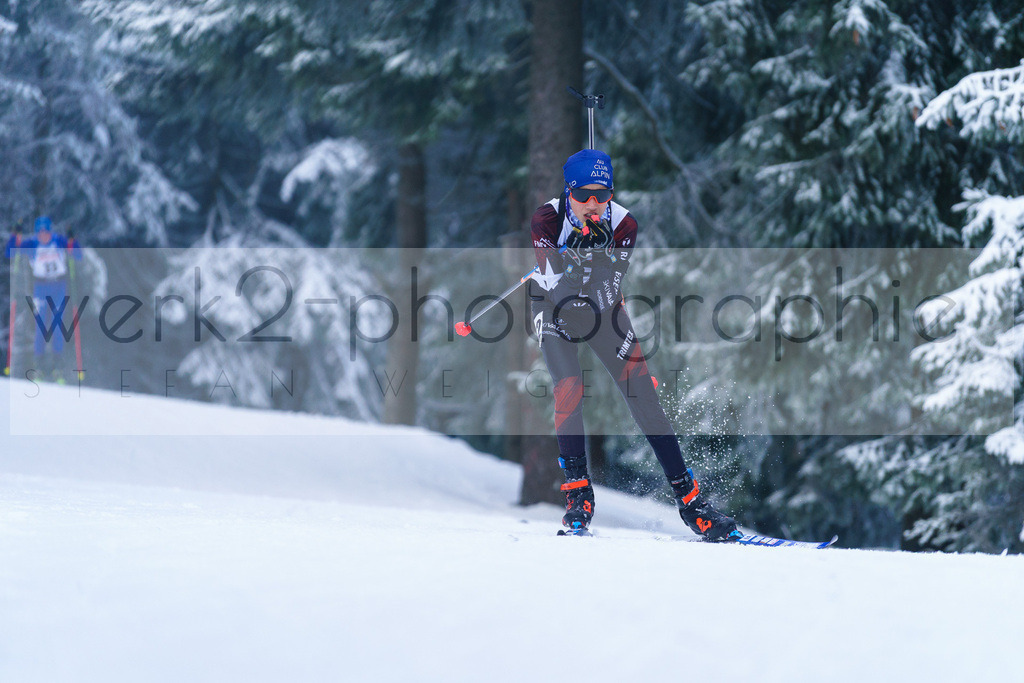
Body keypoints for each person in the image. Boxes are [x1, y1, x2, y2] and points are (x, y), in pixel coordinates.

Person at [528, 149, 740, 540]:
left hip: (603, 307)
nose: (593, 204)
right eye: (584, 195)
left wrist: (597, 260)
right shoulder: (546, 219)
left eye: (602, 195)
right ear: (568, 191)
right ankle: (579, 495)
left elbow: (607, 295)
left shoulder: (623, 224)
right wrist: (572, 264)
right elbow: (558, 294)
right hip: (552, 306)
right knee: (569, 387)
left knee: (642, 393)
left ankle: (691, 502)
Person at [5, 216, 82, 381]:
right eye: (40, 232)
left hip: (58, 286)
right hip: (40, 288)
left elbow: (77, 255)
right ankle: (39, 367)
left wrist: (72, 239)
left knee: (57, 324)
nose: (43, 236)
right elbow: (9, 251)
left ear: (50, 231)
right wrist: (15, 235)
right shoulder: (32, 244)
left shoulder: (58, 241)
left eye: (45, 232)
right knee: (41, 327)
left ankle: (57, 367)